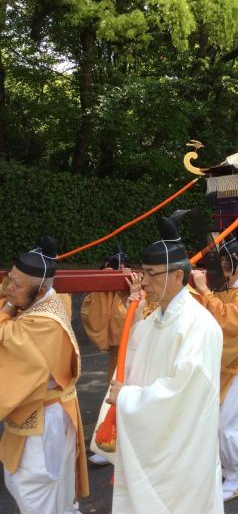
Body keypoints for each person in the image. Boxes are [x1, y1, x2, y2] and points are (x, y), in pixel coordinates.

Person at [103, 216, 224, 514]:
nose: (144, 281)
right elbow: (133, 358)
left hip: (181, 451)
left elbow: (184, 392)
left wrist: (129, 398)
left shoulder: (198, 324)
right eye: (144, 272)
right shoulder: (156, 318)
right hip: (153, 439)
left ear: (177, 276)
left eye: (151, 274)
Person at [0, 236, 89, 514]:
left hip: (44, 418)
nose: (8, 288)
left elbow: (3, 337)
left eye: (16, 285)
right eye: (9, 279)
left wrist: (8, 308)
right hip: (39, 412)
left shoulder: (44, 322)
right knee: (29, 485)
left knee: (34, 488)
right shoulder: (39, 302)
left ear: (39, 292)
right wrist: (13, 302)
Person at [192, 236, 238, 502]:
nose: (223, 265)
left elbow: (230, 322)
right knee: (222, 421)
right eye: (221, 260)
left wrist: (205, 293)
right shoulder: (222, 288)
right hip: (221, 362)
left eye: (228, 261)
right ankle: (234, 466)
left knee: (228, 423)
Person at [81, 246, 129, 466]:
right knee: (113, 394)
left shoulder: (139, 284)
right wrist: (107, 287)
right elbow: (101, 318)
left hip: (138, 349)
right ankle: (108, 439)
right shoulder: (115, 285)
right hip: (119, 353)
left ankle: (123, 443)